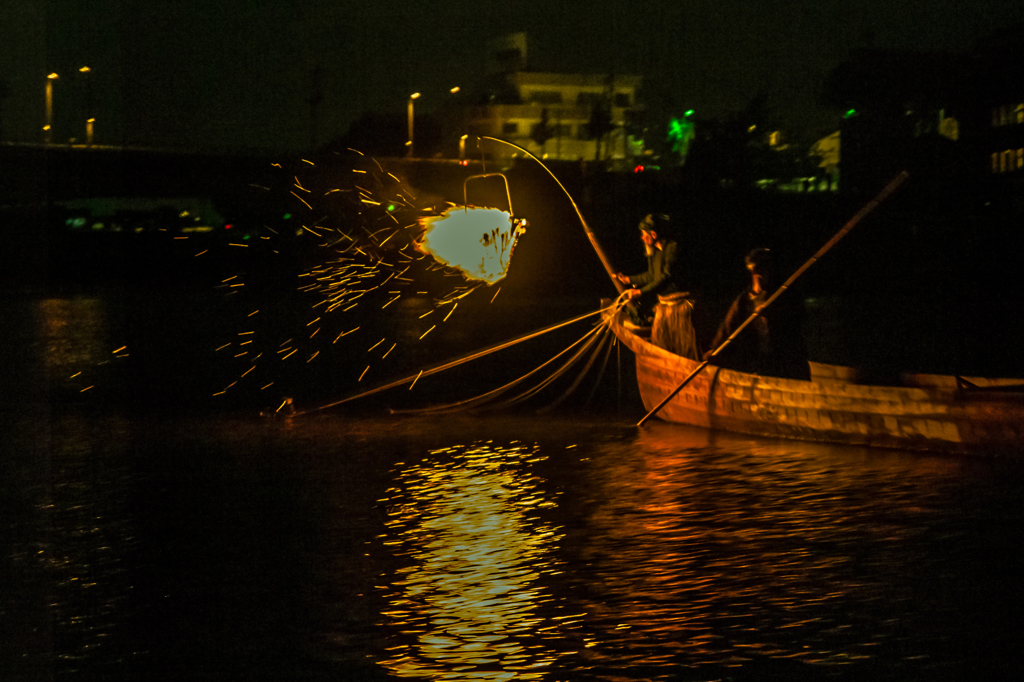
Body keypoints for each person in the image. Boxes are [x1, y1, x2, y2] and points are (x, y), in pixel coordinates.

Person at [704, 247, 809, 379]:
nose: (764, 276)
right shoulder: (744, 300)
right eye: (760, 272)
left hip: (786, 364)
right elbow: (727, 326)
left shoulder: (784, 295)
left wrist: (773, 314)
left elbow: (799, 319)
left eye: (767, 271)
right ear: (753, 271)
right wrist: (714, 349)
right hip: (758, 363)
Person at [615, 213, 700, 360]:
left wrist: (640, 292)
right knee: (661, 344)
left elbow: (666, 277)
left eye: (643, 234)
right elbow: (651, 275)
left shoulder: (673, 248)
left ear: (653, 234)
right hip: (663, 304)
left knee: (684, 349)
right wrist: (628, 280)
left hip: (679, 306)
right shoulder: (653, 252)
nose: (642, 237)